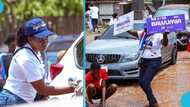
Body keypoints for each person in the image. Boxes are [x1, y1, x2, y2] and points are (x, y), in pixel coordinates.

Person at [0, 18, 78, 106]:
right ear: (29, 39)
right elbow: (42, 89)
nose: (45, 42)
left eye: (46, 38)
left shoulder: (35, 52)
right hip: (13, 101)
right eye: (40, 39)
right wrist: (72, 89)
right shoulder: (26, 57)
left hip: (21, 100)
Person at [139, 25, 168, 107]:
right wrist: (123, 26)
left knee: (145, 81)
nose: (145, 29)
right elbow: (132, 32)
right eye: (144, 27)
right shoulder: (143, 34)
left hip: (154, 61)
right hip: (144, 61)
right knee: (141, 82)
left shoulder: (159, 35)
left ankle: (153, 103)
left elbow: (165, 44)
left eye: (146, 27)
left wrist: (165, 34)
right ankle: (153, 100)